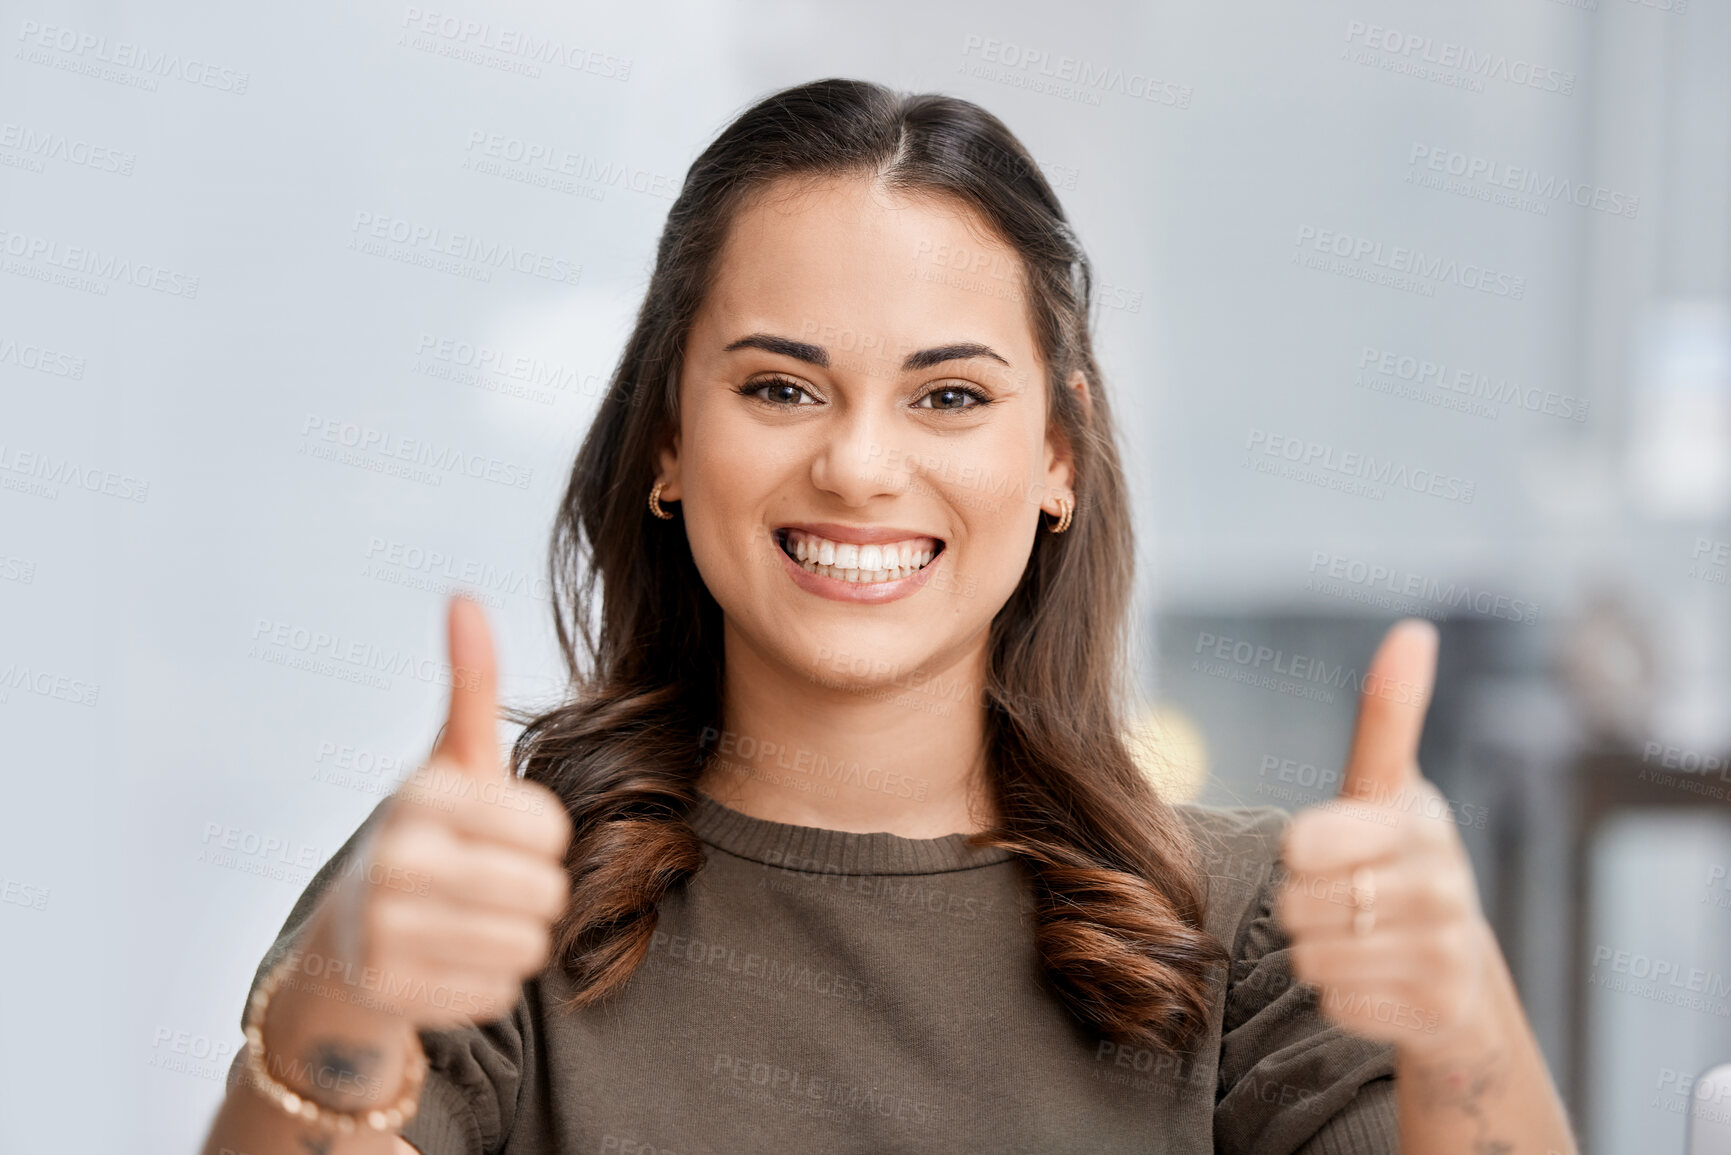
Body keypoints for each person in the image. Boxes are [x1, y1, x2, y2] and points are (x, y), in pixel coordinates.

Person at [200, 77, 1577, 1154]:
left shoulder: (1257, 928)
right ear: (669, 438)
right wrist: (354, 998)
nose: (860, 466)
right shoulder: (483, 898)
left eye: (952, 396)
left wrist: (1466, 1027)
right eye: (781, 388)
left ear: (1058, 458)